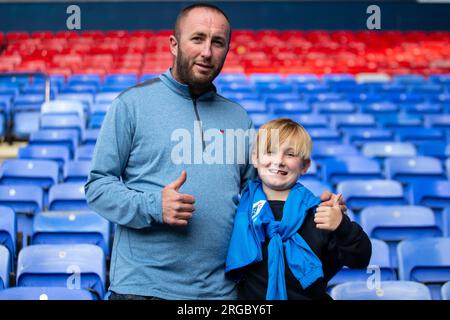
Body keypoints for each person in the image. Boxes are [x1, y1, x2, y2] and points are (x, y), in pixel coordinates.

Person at [85, 3, 345, 300]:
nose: (207, 52)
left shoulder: (239, 118)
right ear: (174, 44)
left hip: (220, 293)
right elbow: (98, 187)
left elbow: (259, 195)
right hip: (143, 289)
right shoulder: (130, 105)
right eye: (197, 39)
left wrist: (312, 210)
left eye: (217, 42)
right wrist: (153, 206)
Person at [225, 118, 372, 300]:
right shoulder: (239, 211)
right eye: (270, 152)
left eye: (290, 154)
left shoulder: (320, 213)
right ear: (255, 158)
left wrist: (342, 226)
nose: (279, 161)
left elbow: (360, 259)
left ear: (305, 166)